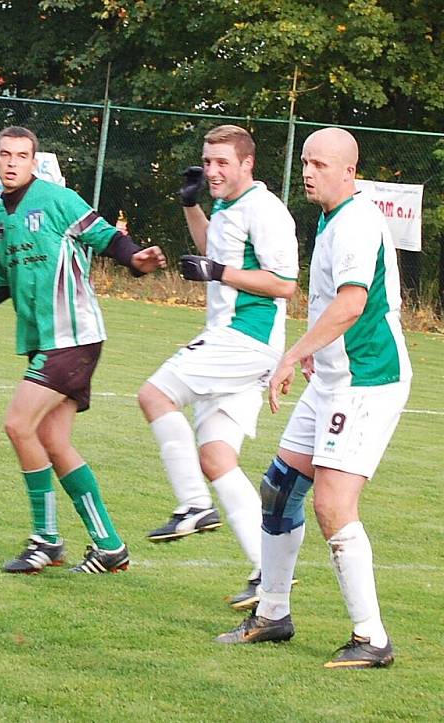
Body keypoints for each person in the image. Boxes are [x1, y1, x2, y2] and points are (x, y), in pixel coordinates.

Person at [216, 127, 412, 669]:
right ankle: (273, 614)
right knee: (280, 488)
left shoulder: (354, 223)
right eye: (305, 161)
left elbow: (351, 304)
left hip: (367, 380)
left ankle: (372, 639)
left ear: (349, 170)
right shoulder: (331, 217)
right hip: (332, 377)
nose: (308, 171)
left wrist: (291, 352)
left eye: (321, 164)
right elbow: (333, 305)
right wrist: (313, 352)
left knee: (331, 504)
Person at [0, 125, 166, 574]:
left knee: (18, 425)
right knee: (52, 440)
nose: (14, 162)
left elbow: (107, 238)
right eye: (6, 155)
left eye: (23, 155)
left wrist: (135, 259)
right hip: (45, 342)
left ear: (34, 162)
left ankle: (47, 539)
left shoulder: (58, 199)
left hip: (73, 336)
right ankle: (110, 545)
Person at [138, 124, 299, 608]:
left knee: (154, 395)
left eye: (222, 162)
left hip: (245, 339)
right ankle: (267, 573)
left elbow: (284, 283)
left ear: (248, 163)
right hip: (232, 340)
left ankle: (193, 505)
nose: (211, 170)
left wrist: (220, 273)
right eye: (207, 162)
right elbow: (215, 251)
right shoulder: (229, 205)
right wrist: (191, 206)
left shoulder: (266, 210)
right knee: (217, 458)